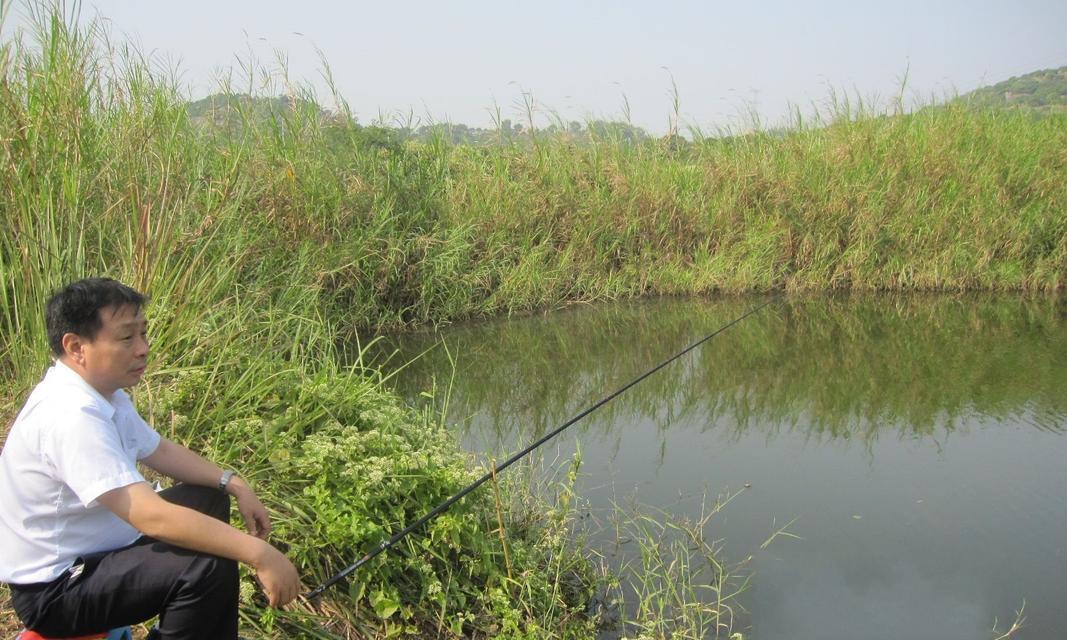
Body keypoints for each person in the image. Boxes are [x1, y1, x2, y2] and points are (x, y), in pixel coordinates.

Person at [0, 278, 300, 639]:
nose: (143, 348)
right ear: (76, 346)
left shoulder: (102, 393)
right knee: (204, 568)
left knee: (207, 499)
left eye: (144, 334)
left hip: (95, 554)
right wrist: (259, 554)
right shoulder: (70, 416)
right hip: (56, 590)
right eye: (127, 338)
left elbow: (158, 449)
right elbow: (150, 516)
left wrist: (234, 483)